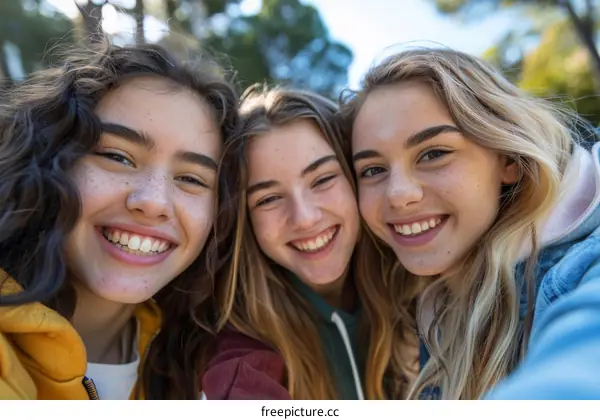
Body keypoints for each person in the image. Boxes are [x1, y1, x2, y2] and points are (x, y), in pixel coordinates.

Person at [342, 47, 600, 399]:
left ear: (508, 159)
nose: (398, 195)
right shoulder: (427, 307)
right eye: (372, 170)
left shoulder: (585, 267)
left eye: (433, 153)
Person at [0, 40, 239, 399]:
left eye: (191, 179)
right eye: (118, 157)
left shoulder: (206, 365)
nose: (154, 202)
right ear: (49, 160)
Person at [201, 85, 416, 400]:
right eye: (269, 198)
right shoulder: (241, 350)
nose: (304, 218)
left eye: (323, 179)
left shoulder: (424, 289)